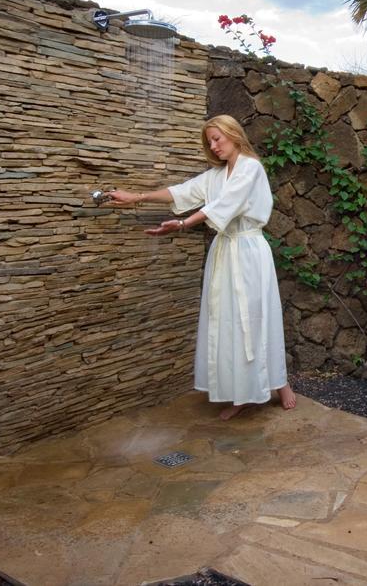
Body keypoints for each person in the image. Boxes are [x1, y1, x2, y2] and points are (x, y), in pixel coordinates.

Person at [108, 115, 296, 420]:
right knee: (228, 323)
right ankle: (241, 394)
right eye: (210, 141)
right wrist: (136, 197)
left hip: (249, 253)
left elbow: (226, 205)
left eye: (217, 138)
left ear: (234, 134)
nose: (213, 146)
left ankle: (280, 382)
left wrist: (183, 224)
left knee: (258, 317)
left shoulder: (251, 167)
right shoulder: (215, 175)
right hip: (224, 253)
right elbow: (182, 192)